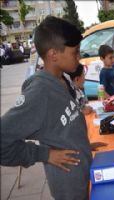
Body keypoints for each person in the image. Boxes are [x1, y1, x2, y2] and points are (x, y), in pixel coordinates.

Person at [1, 16, 91, 200]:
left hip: (83, 172)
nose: (79, 57)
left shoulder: (63, 78)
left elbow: (61, 125)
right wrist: (44, 154)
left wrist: (82, 144)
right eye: (75, 52)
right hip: (69, 185)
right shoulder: (39, 92)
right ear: (53, 55)